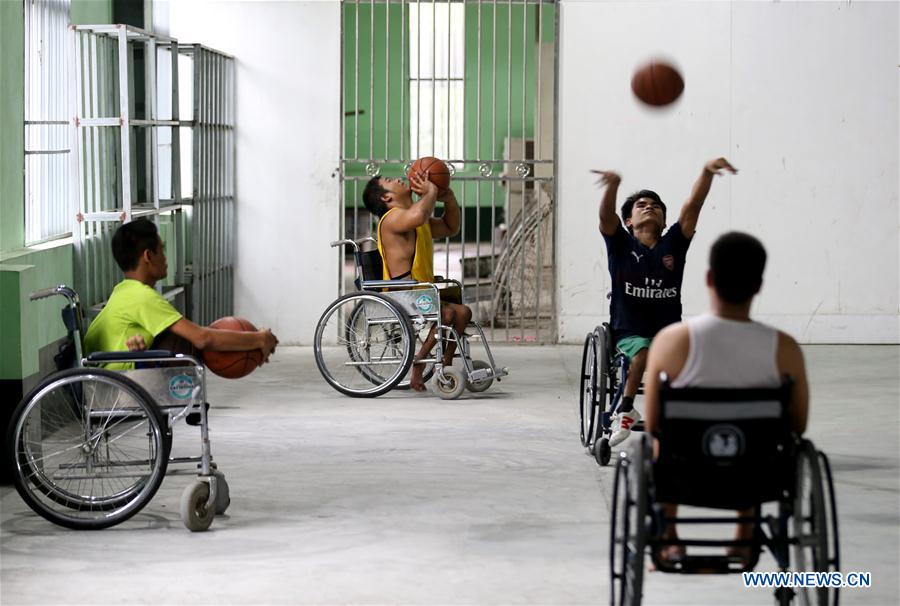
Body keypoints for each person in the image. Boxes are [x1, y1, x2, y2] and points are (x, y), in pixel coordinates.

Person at [643, 231, 809, 564]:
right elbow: (797, 424)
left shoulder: (672, 341)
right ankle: (744, 536)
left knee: (665, 436)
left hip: (683, 477)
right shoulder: (785, 348)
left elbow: (652, 424)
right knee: (758, 441)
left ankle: (669, 532)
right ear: (759, 285)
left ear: (708, 278)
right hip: (756, 478)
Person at [593, 157, 737, 446]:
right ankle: (625, 411)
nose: (650, 207)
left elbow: (692, 207)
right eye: (642, 205)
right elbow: (607, 218)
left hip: (669, 330)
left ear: (664, 220)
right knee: (644, 352)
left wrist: (706, 172)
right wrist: (613, 187)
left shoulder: (674, 244)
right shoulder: (621, 244)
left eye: (656, 206)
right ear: (629, 221)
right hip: (629, 330)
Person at [83, 218, 279, 375]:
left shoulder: (124, 291)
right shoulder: (142, 297)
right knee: (190, 344)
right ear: (148, 256)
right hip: (119, 384)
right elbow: (203, 338)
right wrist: (259, 339)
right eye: (162, 249)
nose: (166, 257)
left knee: (179, 339)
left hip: (108, 377)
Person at [362, 171, 472, 392]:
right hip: (401, 292)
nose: (399, 179)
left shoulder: (415, 219)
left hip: (421, 291)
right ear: (386, 197)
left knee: (464, 312)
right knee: (448, 314)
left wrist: (448, 198)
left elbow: (451, 227)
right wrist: (431, 191)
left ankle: (445, 367)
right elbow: (419, 215)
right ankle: (418, 363)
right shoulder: (392, 218)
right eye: (391, 180)